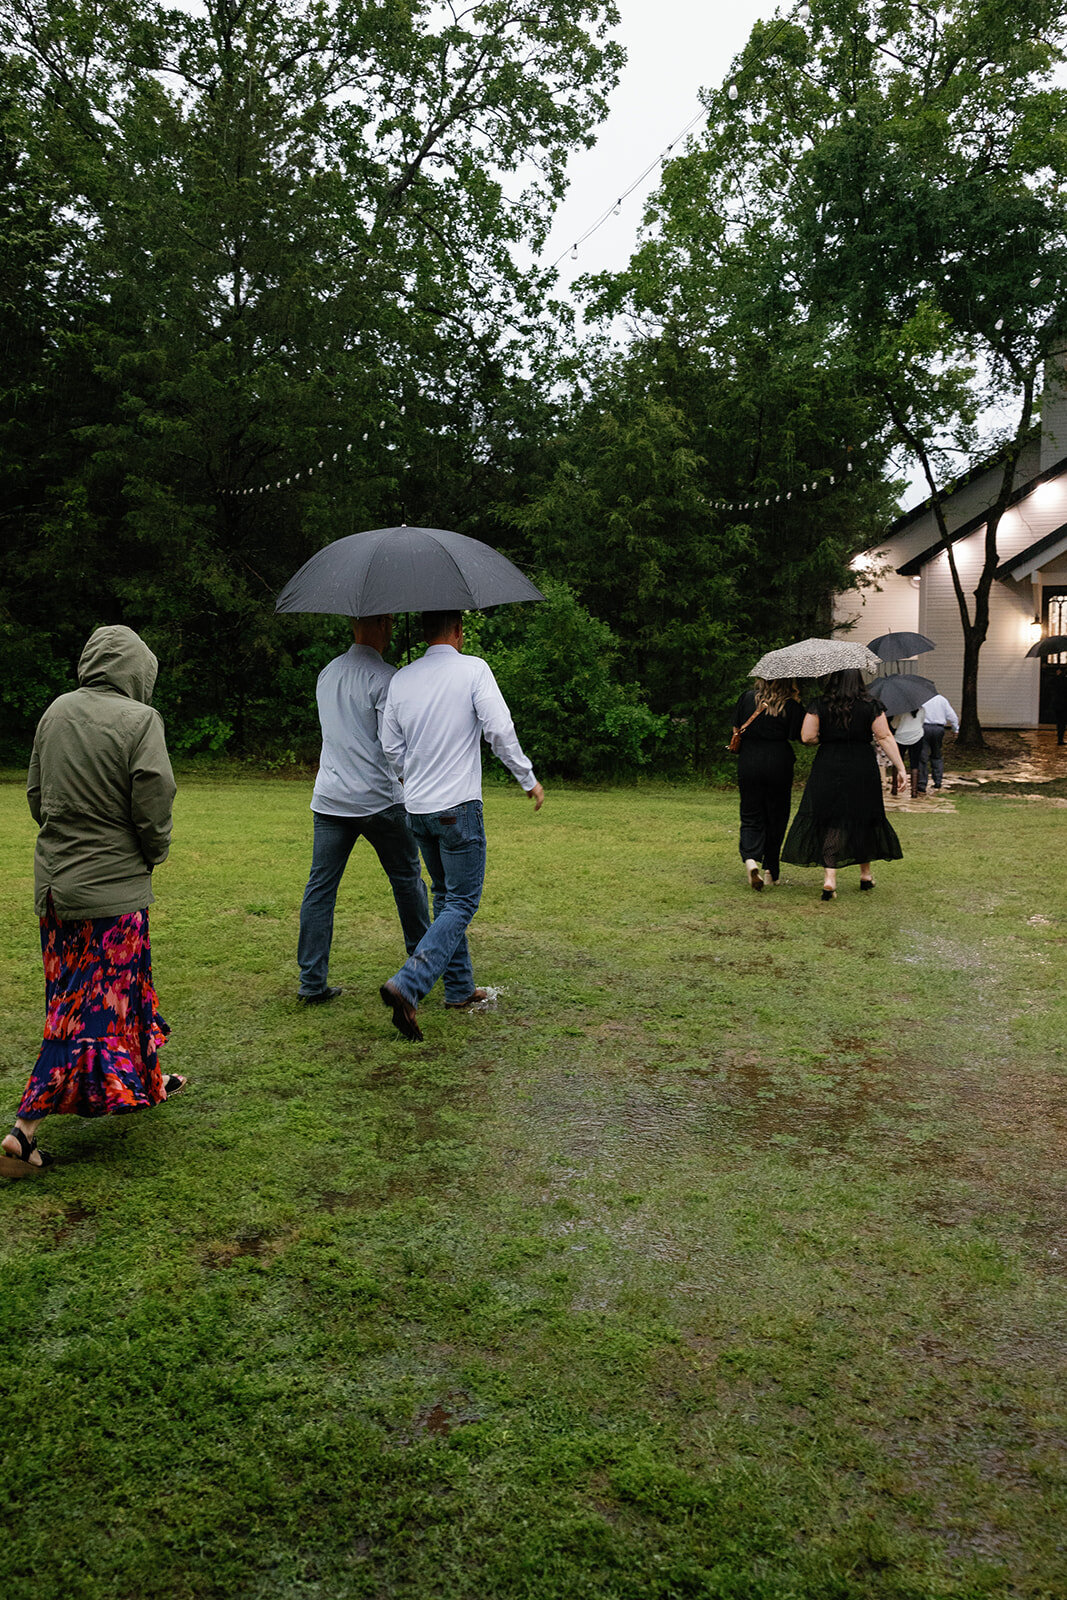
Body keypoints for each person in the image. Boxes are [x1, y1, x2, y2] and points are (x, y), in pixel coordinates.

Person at [1, 625, 182, 1178]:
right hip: (112, 892)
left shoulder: (55, 712)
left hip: (56, 890)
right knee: (79, 1013)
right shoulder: (140, 720)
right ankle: (22, 1132)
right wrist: (152, 852)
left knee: (116, 993)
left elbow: (36, 794)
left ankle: (149, 1077)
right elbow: (153, 800)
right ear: (137, 672)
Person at [377, 610, 544, 1041]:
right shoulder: (474, 670)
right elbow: (499, 730)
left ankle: (459, 989)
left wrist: (409, 779)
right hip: (458, 808)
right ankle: (409, 984)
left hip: (417, 808)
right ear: (457, 632)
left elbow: (391, 746)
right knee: (462, 901)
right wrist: (526, 777)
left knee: (445, 895)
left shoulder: (401, 679)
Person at [296, 614, 430, 1003]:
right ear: (379, 628)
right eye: (386, 625)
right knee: (407, 882)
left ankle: (311, 982)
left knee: (320, 889)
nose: (390, 631)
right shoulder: (386, 678)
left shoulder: (327, 673)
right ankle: (420, 969)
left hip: (332, 798)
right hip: (379, 800)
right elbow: (392, 744)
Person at [781, 668, 906, 900]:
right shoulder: (871, 705)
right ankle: (866, 875)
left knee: (830, 817)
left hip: (828, 764)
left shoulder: (819, 703)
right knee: (864, 815)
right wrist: (900, 767)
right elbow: (885, 737)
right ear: (858, 680)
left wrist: (826, 737)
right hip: (861, 766)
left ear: (833, 679)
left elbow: (807, 737)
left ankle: (830, 878)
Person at [731, 676, 803, 890]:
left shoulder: (747, 698)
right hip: (779, 762)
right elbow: (801, 736)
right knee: (777, 816)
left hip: (749, 760)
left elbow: (735, 728)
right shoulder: (790, 705)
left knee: (750, 813)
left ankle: (751, 860)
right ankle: (771, 870)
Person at [917, 690, 959, 792]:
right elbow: (952, 716)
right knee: (937, 754)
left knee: (922, 756)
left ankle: (922, 783)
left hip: (924, 728)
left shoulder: (921, 700)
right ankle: (938, 781)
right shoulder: (942, 700)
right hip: (938, 729)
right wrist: (955, 729)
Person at [889, 706, 925, 797]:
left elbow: (894, 724)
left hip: (901, 737)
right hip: (917, 736)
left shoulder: (900, 710)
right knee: (915, 763)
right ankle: (914, 791)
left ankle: (894, 787)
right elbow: (922, 721)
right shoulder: (921, 709)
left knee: (897, 761)